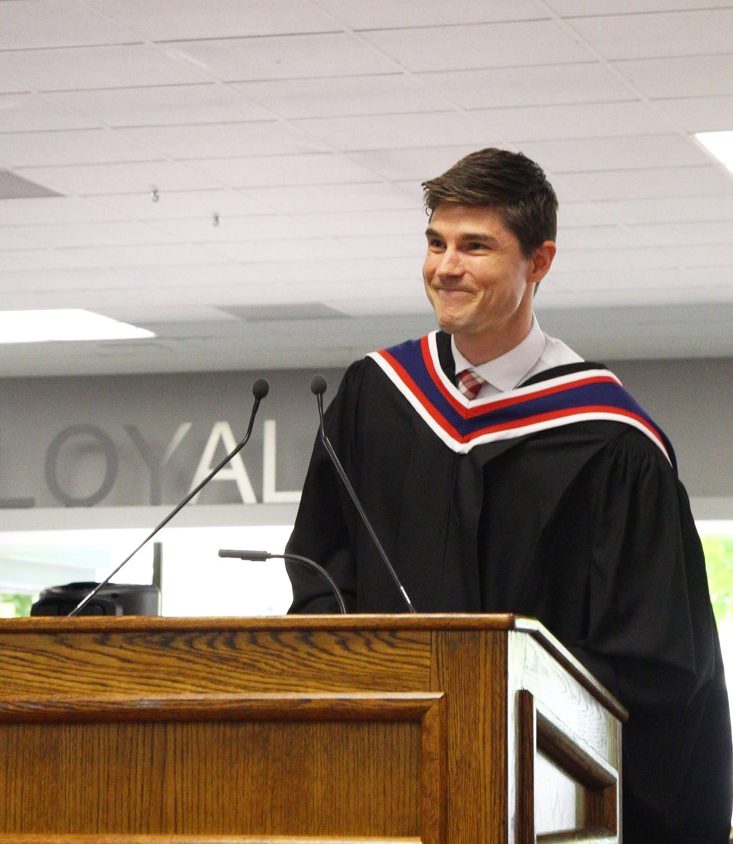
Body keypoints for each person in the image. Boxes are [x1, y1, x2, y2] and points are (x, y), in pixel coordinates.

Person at [285, 147, 732, 843]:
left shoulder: (610, 441)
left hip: (539, 805)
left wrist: (495, 708)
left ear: (538, 262)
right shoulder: (374, 397)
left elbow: (655, 662)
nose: (445, 268)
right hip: (386, 785)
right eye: (435, 243)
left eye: (474, 247)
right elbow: (318, 573)